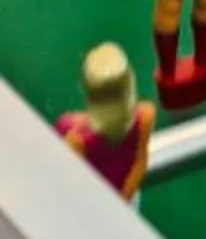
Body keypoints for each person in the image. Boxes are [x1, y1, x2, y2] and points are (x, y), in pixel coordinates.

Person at [55, 42, 153, 204]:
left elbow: (69, 184)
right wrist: (122, 203)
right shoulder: (145, 115)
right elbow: (140, 162)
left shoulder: (75, 137)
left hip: (91, 207)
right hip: (127, 200)